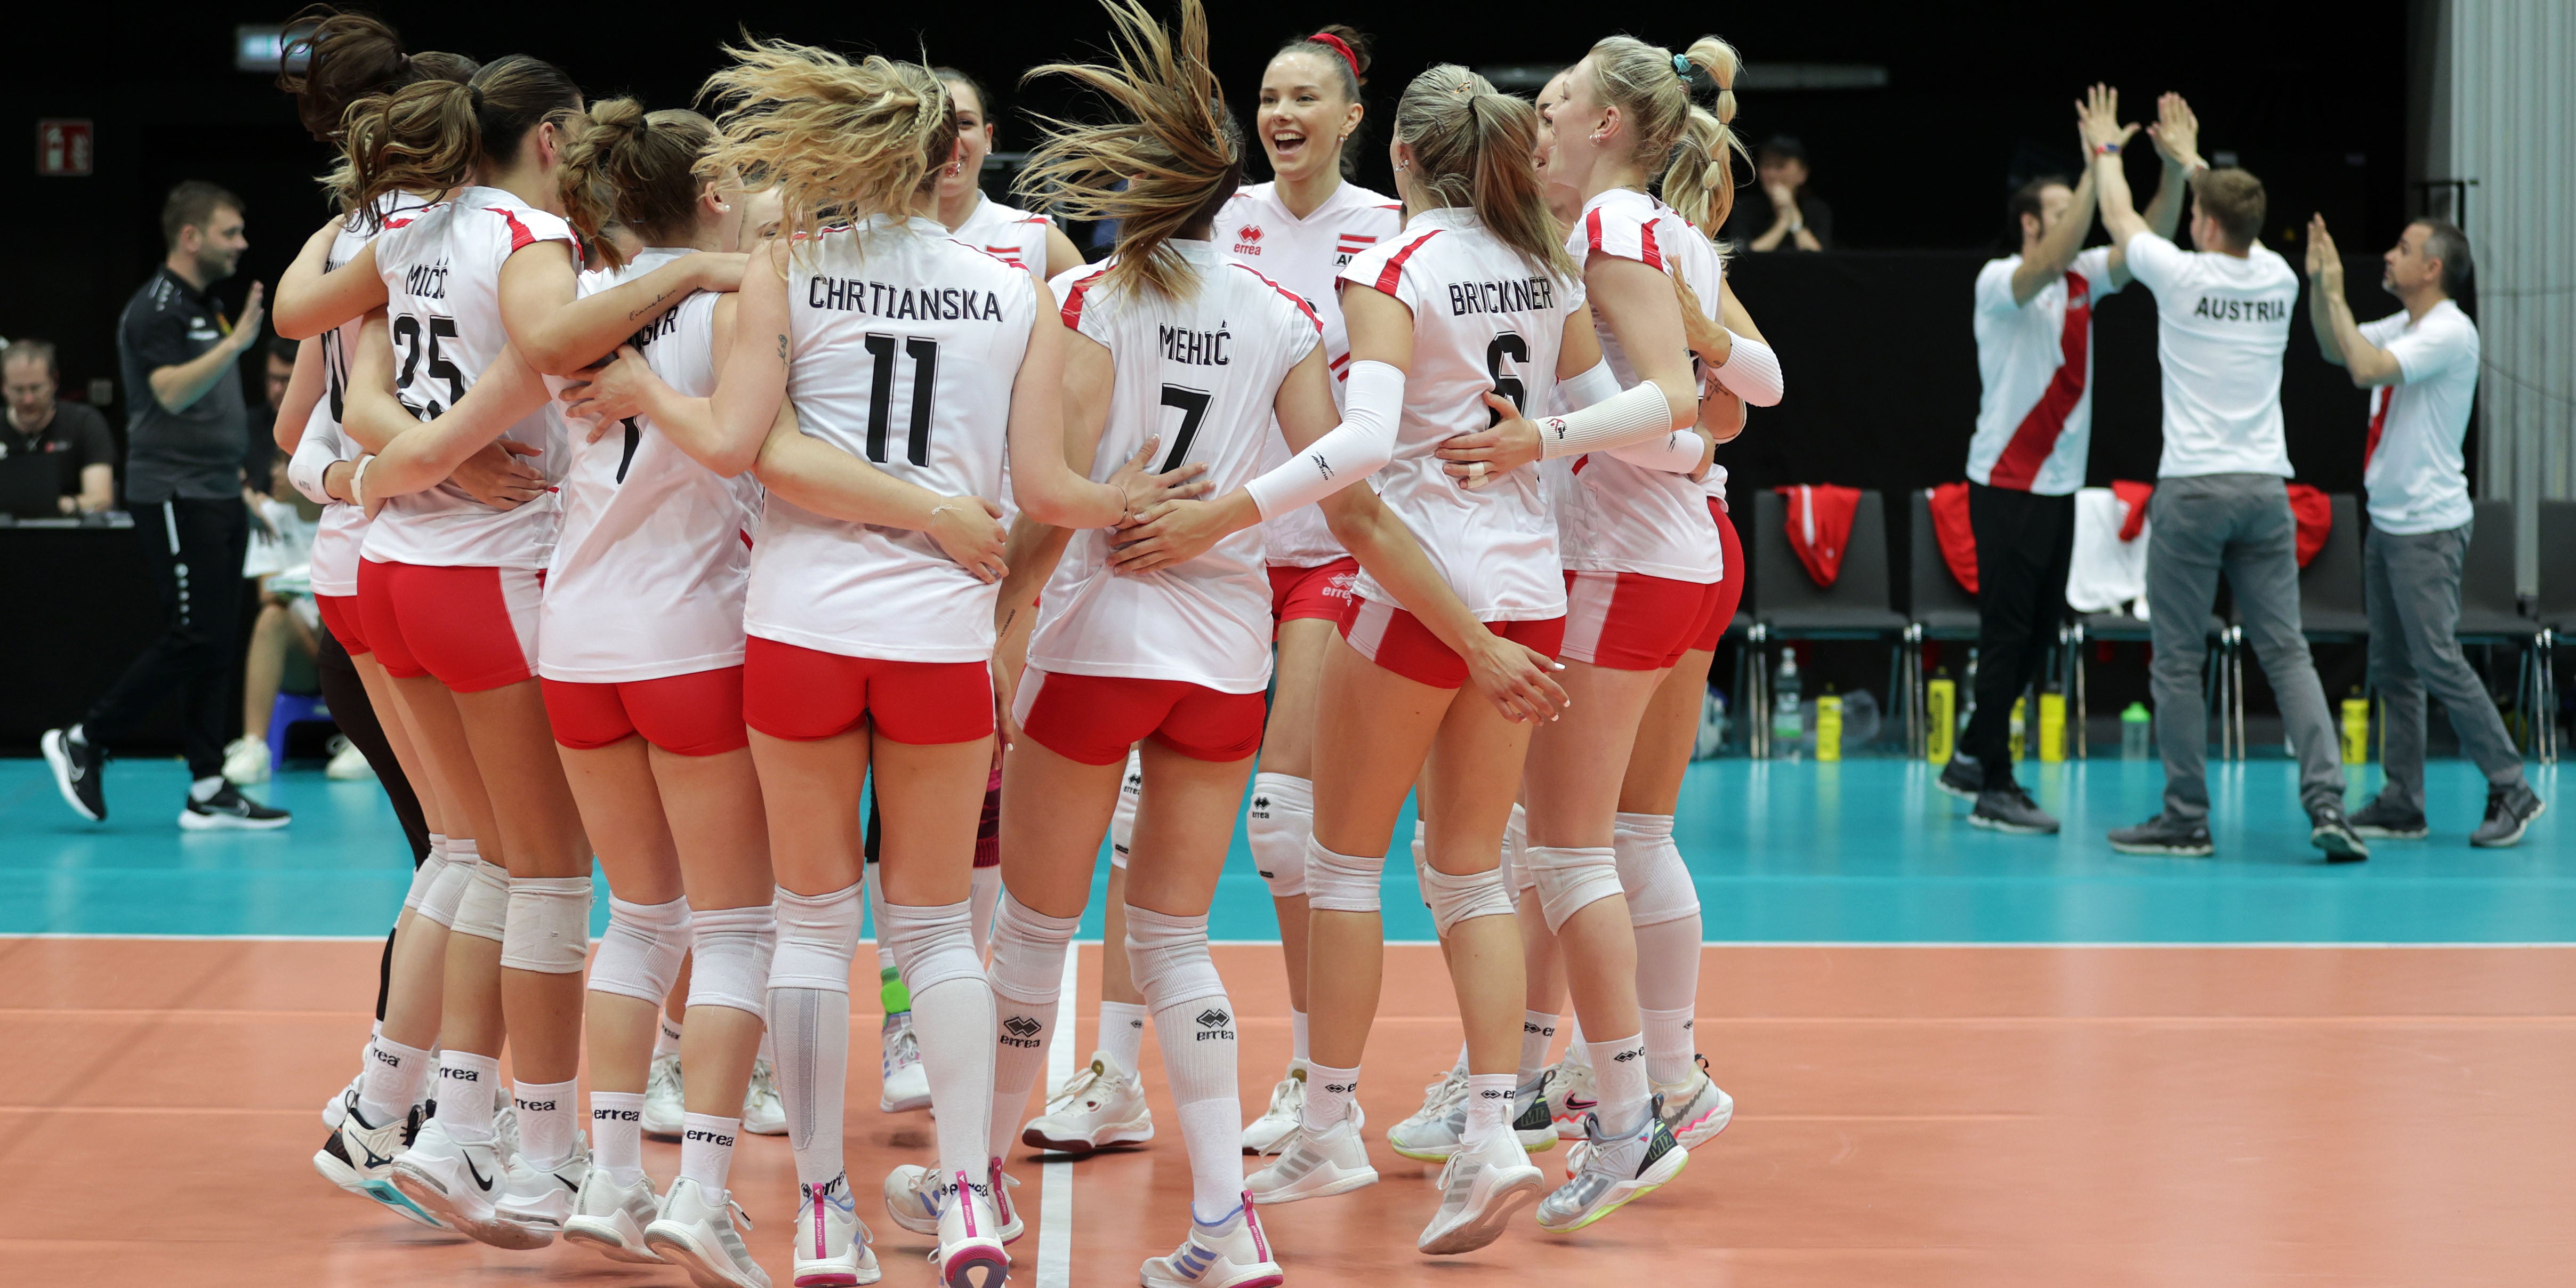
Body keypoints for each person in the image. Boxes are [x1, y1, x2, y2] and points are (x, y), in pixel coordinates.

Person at [688, 38, 1163, 1286]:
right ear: (944, 158)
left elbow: (758, 453)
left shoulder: (789, 268)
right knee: (940, 927)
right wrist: (1131, 498)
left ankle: (819, 1215)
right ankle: (964, 1199)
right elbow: (1048, 489)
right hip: (939, 638)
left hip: (802, 626)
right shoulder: (1012, 289)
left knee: (809, 924)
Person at [1219, 61, 1674, 1255]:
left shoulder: (1394, 265)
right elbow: (1628, 416)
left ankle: (1329, 1124)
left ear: (1403, 157)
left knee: (1340, 861)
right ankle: (1489, 1134)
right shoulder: (1544, 266)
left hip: (1421, 589)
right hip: (1532, 589)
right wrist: (1562, 438)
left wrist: (1232, 505)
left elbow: (1365, 444)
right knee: (1469, 871)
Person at [968, 3, 1308, 1277]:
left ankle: (973, 1190)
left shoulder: (1087, 298)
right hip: (1223, 655)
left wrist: (1000, 621)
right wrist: (1226, 512)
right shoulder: (1281, 311)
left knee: (1031, 934)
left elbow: (1049, 493)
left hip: (1100, 639)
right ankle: (1224, 1219)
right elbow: (1338, 475)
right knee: (1173, 937)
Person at [2089, 122, 2365, 860]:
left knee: (2178, 661)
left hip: (2192, 491)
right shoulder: (2278, 277)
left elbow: (2118, 215)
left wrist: (2108, 152)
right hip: (2264, 491)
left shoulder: (2180, 275)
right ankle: (2329, 805)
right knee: (2287, 653)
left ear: (2205, 224)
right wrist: (2192, 162)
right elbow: (2235, 215)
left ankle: (2186, 818)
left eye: (2196, 211)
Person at [1945, 87, 2200, 833]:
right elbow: (2056, 253)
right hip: (2006, 483)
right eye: (2063, 212)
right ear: (2031, 222)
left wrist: (2171, 170)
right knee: (2006, 636)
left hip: (2059, 488)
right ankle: (1993, 786)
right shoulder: (2001, 282)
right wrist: (2099, 163)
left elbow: (2152, 240)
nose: (2078, 223)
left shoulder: (2087, 274)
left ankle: (1970, 756)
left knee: (2041, 634)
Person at [41, 180, 289, 831]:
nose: (242, 244)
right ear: (191, 237)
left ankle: (208, 785)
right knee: (196, 635)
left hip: (217, 490)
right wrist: (236, 346)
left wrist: (238, 485)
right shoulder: (155, 308)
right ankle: (84, 739)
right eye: (230, 232)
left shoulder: (203, 303)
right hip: (175, 494)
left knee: (217, 641)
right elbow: (172, 393)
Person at [2306, 214, 2545, 847]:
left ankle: (2511, 787)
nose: (2389, 256)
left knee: (2436, 661)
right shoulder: (2405, 325)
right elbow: (2334, 347)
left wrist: (2336, 289)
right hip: (2388, 522)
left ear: (2431, 269)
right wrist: (2319, 286)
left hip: (2426, 530)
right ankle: (2401, 800)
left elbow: (2365, 370)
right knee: (2392, 669)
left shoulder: (2447, 331)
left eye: (2402, 248)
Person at [223, 451, 321, 785]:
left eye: (285, 463)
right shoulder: (268, 517)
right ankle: (254, 746)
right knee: (271, 618)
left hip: (347, 653)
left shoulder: (346, 517)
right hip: (303, 659)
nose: (275, 473)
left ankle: (362, 744)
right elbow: (268, 592)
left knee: (345, 613)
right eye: (275, 463)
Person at [2, 339, 116, 514]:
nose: (28, 400)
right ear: (4, 387)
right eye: (18, 390)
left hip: (67, 526)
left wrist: (61, 505)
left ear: (54, 382)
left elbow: (101, 499)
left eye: (36, 388)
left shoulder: (84, 422)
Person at [1721, 135, 1831, 252]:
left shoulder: (1818, 211)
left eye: (1780, 166)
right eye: (1767, 166)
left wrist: (1794, 217)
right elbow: (1745, 256)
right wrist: (1783, 222)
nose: (1772, 175)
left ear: (1802, 174)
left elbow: (1820, 256)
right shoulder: (1744, 208)